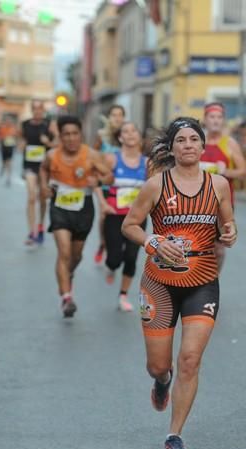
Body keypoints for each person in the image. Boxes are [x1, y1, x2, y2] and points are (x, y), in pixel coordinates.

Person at [121, 117, 236, 449]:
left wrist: (230, 233)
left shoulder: (218, 185)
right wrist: (153, 241)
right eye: (181, 140)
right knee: (159, 365)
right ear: (172, 149)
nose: (187, 145)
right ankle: (161, 380)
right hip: (159, 284)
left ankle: (175, 435)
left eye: (193, 139)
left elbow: (227, 225)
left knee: (190, 359)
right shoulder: (156, 186)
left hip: (202, 282)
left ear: (203, 147)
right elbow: (130, 225)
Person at [40, 116, 113, 317]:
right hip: (59, 207)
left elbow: (109, 176)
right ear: (61, 136)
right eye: (66, 135)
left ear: (81, 135)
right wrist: (44, 187)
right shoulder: (52, 155)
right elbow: (43, 170)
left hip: (84, 209)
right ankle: (66, 298)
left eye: (75, 134)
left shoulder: (92, 155)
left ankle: (67, 274)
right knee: (63, 253)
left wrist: (97, 180)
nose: (71, 138)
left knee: (76, 255)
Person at [97, 121, 148, 311]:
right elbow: (96, 181)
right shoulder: (111, 159)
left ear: (139, 136)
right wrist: (102, 204)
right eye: (125, 131)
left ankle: (123, 295)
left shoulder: (147, 163)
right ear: (120, 138)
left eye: (134, 130)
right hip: (115, 215)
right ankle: (110, 265)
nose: (130, 134)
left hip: (137, 218)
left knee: (131, 256)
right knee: (115, 258)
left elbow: (155, 189)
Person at [201, 102, 246, 271]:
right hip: (197, 202)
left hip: (223, 202)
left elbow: (244, 172)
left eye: (219, 117)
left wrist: (226, 171)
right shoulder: (197, 141)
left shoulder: (229, 143)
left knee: (219, 250)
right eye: (212, 117)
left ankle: (213, 283)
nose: (215, 121)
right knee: (199, 246)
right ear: (205, 119)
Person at [93, 104, 126, 264]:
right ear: (109, 117)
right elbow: (94, 156)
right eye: (114, 114)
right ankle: (102, 243)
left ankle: (116, 243)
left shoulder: (127, 134)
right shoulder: (102, 135)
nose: (117, 118)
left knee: (121, 215)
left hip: (123, 184)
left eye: (120, 115)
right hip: (106, 183)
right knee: (104, 216)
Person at [21, 100, 56, 246]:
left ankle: (41, 226)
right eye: (34, 109)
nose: (37, 111)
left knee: (42, 198)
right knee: (31, 197)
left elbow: (58, 144)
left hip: (44, 167)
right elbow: (21, 140)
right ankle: (31, 231)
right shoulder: (25, 124)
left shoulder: (50, 124)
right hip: (29, 165)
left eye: (39, 108)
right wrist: (21, 145)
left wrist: (47, 143)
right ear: (31, 110)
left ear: (43, 109)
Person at [0, 114, 18, 186]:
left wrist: (14, 140)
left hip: (10, 147)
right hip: (3, 147)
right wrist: (2, 138)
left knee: (9, 162)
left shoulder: (13, 129)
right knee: (3, 162)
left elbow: (16, 137)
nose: (8, 122)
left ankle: (8, 178)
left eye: (10, 121)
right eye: (7, 121)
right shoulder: (2, 128)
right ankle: (2, 168)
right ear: (5, 122)